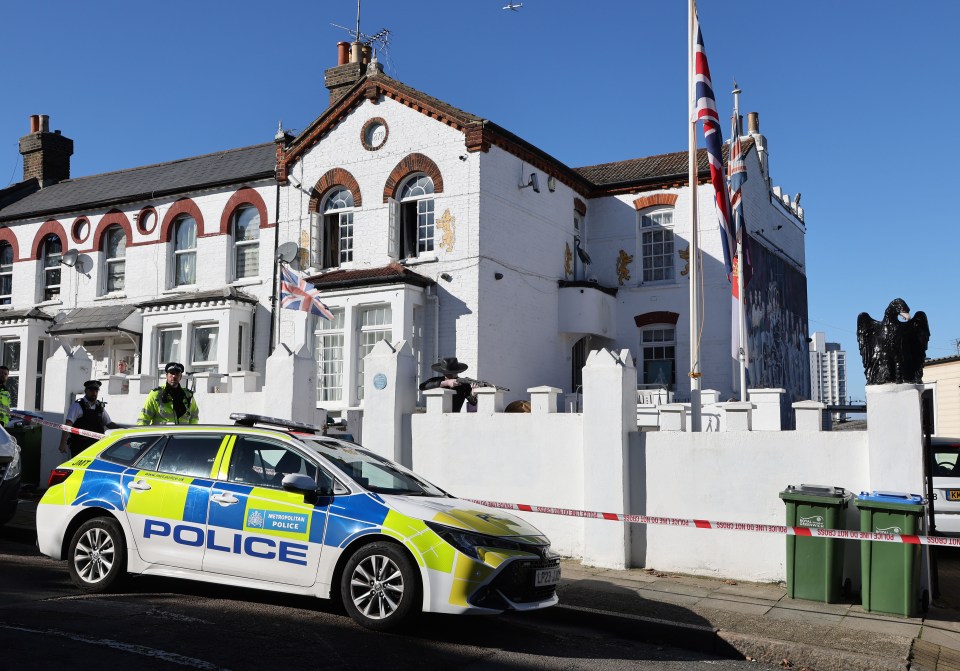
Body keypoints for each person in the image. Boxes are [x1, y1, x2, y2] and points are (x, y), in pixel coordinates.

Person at [59, 380, 120, 457]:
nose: (94, 393)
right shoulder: (77, 406)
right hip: (80, 446)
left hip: (96, 446)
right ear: (86, 391)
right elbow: (68, 424)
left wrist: (124, 430)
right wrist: (63, 443)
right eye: (91, 390)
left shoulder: (99, 407)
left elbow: (109, 423)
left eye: (96, 391)